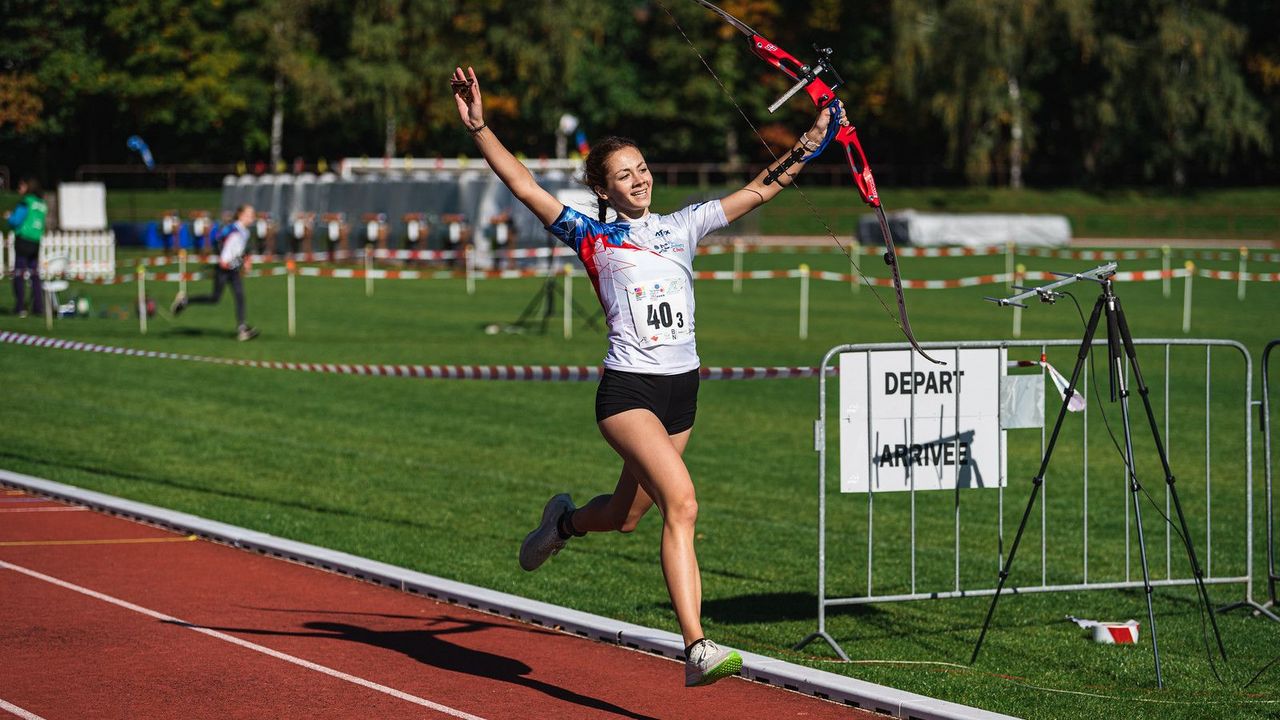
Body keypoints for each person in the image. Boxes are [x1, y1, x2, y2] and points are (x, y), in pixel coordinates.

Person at [452, 66, 844, 687]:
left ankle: (563, 524)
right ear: (603, 190)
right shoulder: (593, 236)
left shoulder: (682, 225)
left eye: (641, 168)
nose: (638, 179)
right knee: (681, 504)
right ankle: (696, 647)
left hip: (681, 392)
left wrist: (815, 137)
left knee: (626, 516)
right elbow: (525, 186)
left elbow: (761, 189)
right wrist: (479, 128)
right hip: (628, 394)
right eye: (623, 174)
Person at [171, 204, 259, 341]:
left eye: (253, 215)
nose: (252, 217)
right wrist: (224, 258)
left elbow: (241, 250)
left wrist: (245, 260)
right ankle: (185, 300)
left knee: (240, 296)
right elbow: (218, 241)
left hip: (233, 269)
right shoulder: (232, 229)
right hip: (223, 269)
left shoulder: (245, 232)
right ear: (241, 215)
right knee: (215, 298)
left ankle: (242, 329)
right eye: (249, 214)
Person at [6, 177, 48, 317]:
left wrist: (9, 217)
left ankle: (20, 307)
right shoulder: (42, 204)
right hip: (35, 242)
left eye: (21, 186)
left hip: (23, 240)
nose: (19, 188)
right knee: (35, 276)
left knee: (19, 275)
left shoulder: (26, 202)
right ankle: (38, 307)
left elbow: (16, 220)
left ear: (28, 187)